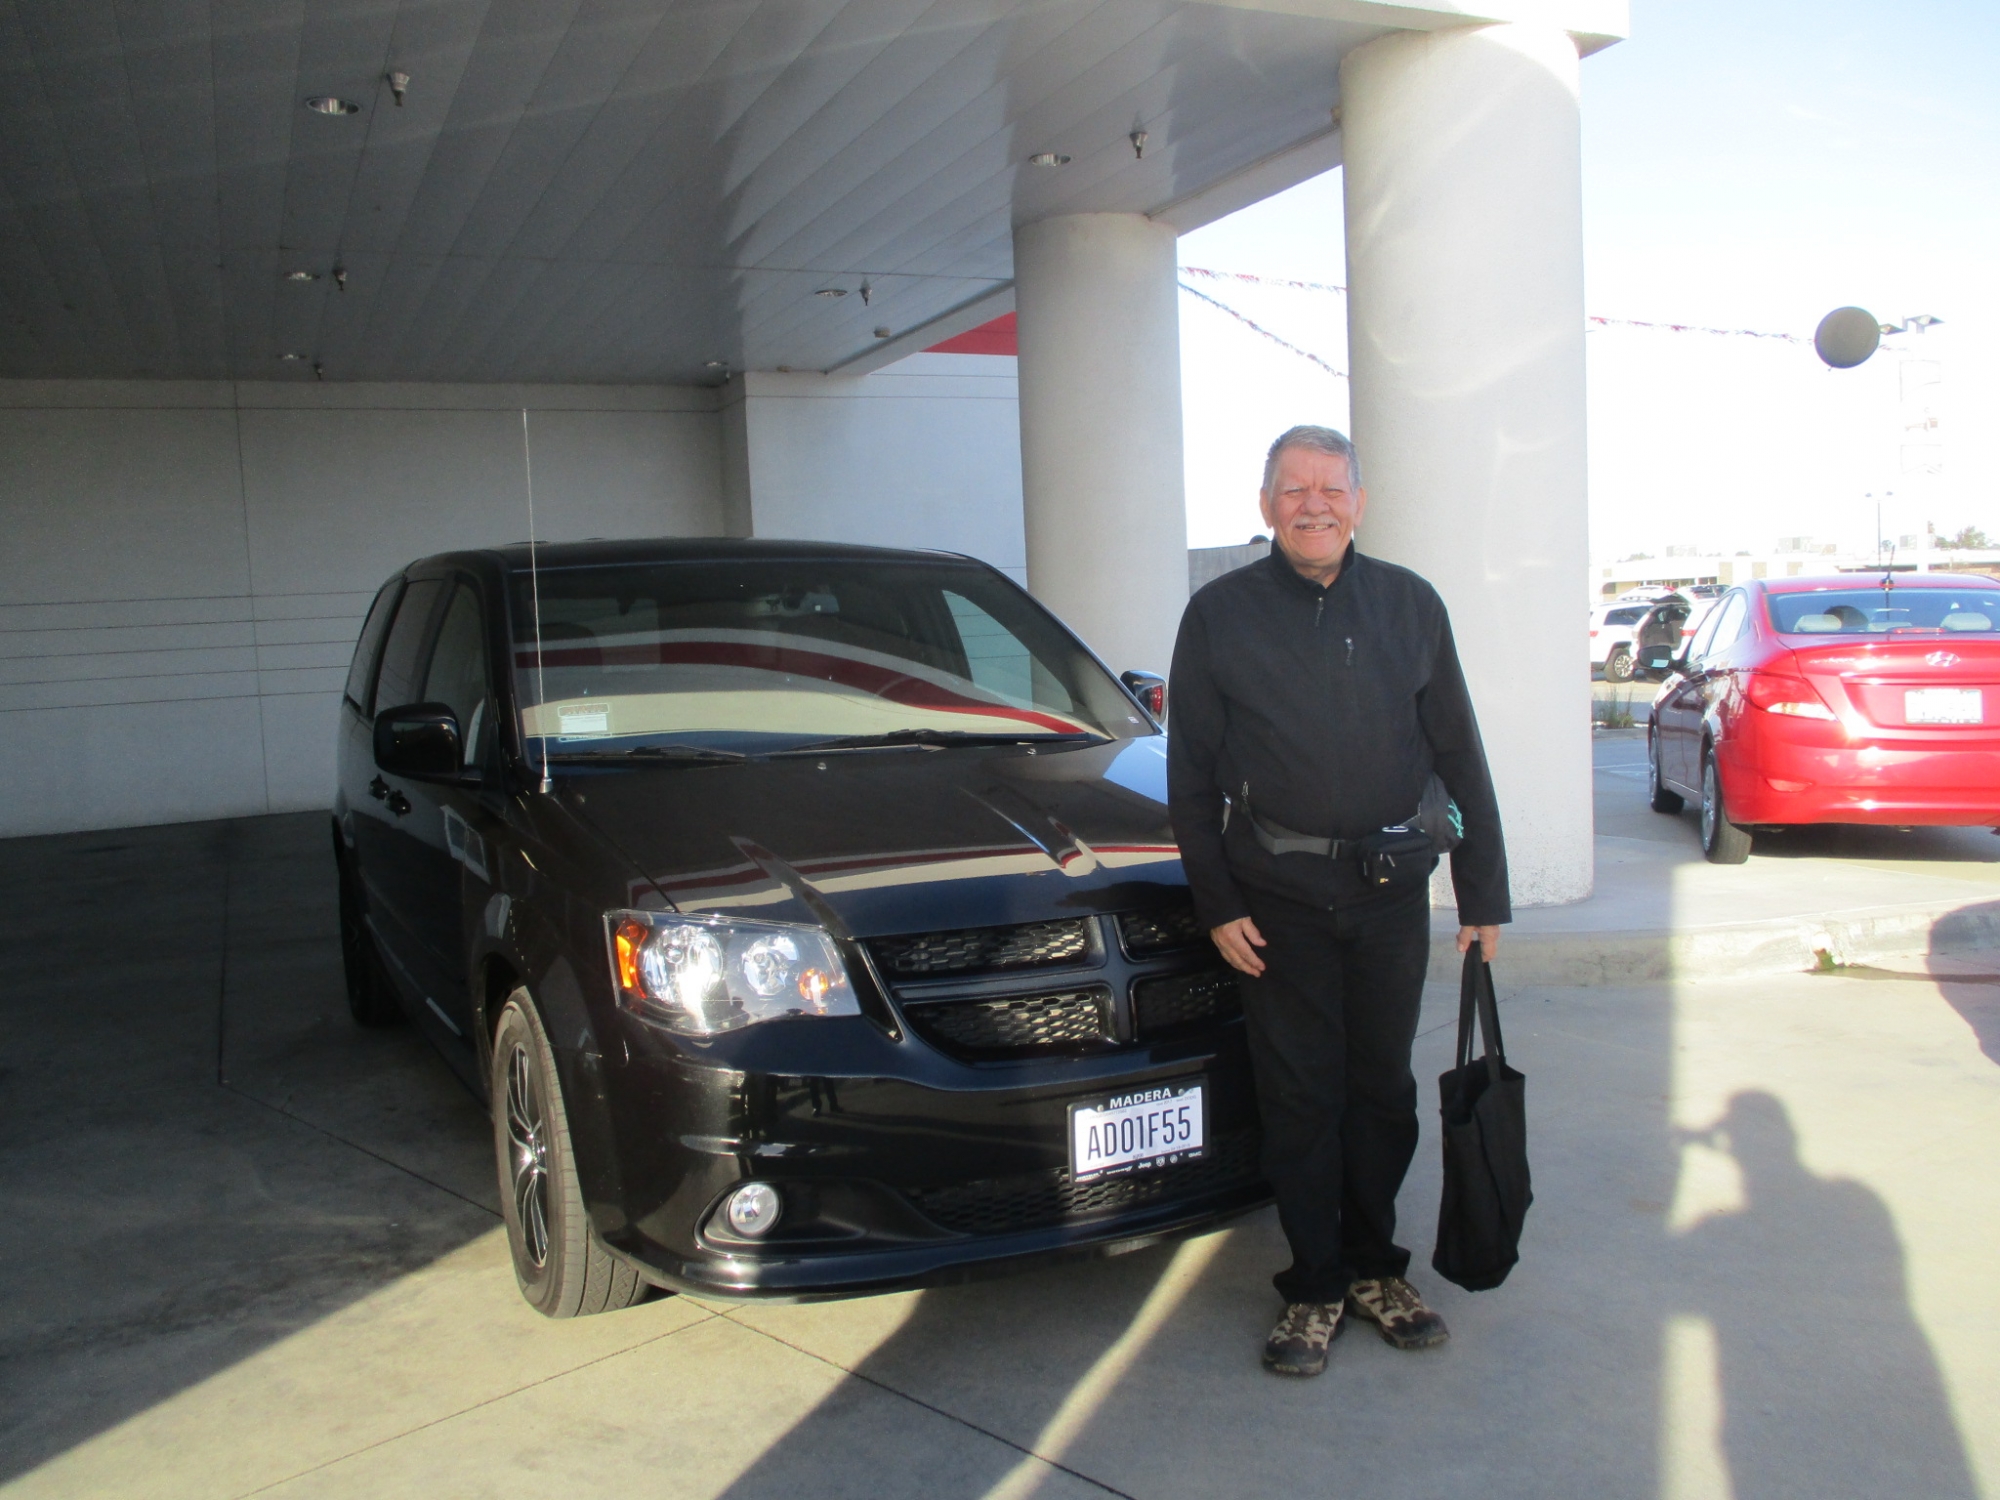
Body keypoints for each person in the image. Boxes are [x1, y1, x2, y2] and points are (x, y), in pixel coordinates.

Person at [1167, 425, 1511, 1378]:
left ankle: (1373, 1267)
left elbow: (1459, 751)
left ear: (1359, 503)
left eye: (1330, 488)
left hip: (1390, 895)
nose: (1311, 504)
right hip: (1274, 903)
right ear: (1265, 505)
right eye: (1292, 489)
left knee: (1381, 1090)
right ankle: (1314, 1283)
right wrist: (1217, 902)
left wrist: (1482, 892)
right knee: (1299, 1097)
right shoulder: (1219, 615)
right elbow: (1189, 775)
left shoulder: (1410, 604)